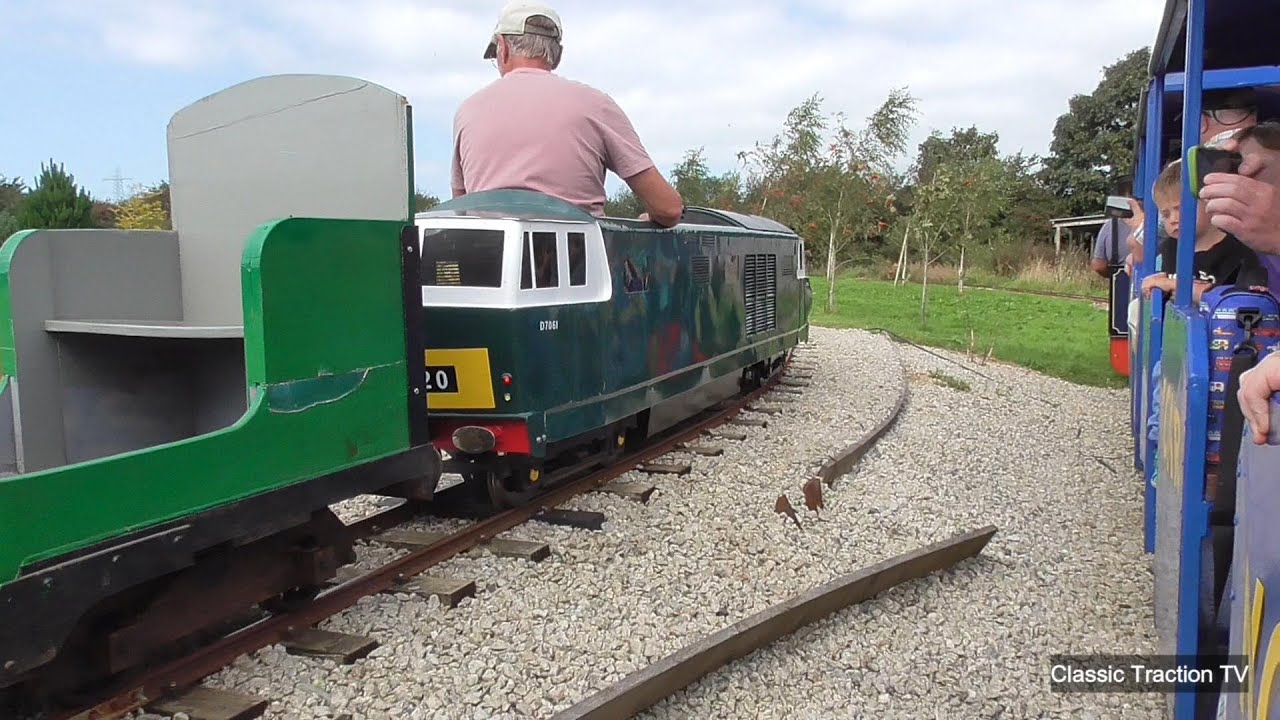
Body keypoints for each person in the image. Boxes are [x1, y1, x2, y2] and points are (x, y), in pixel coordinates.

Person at [451, 1, 684, 227]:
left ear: (503, 48)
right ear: (558, 55)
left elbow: (462, 207)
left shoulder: (467, 111)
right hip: (577, 262)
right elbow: (668, 209)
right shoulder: (596, 105)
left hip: (487, 263)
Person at [1140, 159, 1257, 303]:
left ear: (1209, 201)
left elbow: (1233, 300)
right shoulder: (1169, 248)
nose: (1173, 219)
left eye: (1180, 209)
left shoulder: (1238, 250)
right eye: (1166, 214)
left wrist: (1174, 285)